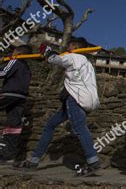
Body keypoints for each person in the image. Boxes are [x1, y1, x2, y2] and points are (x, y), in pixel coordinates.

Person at [14, 37, 101, 176]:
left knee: (79, 128)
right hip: (85, 99)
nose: (67, 47)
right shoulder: (87, 63)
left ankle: (93, 161)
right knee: (50, 125)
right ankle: (34, 160)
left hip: (75, 99)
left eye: (70, 45)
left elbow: (56, 60)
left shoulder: (74, 57)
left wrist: (46, 52)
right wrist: (51, 53)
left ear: (76, 47)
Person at [0, 45, 32, 163]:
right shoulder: (27, 67)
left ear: (17, 53)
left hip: (10, 94)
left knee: (13, 124)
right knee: (13, 125)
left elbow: (3, 73)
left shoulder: (14, 61)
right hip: (21, 97)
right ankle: (8, 155)